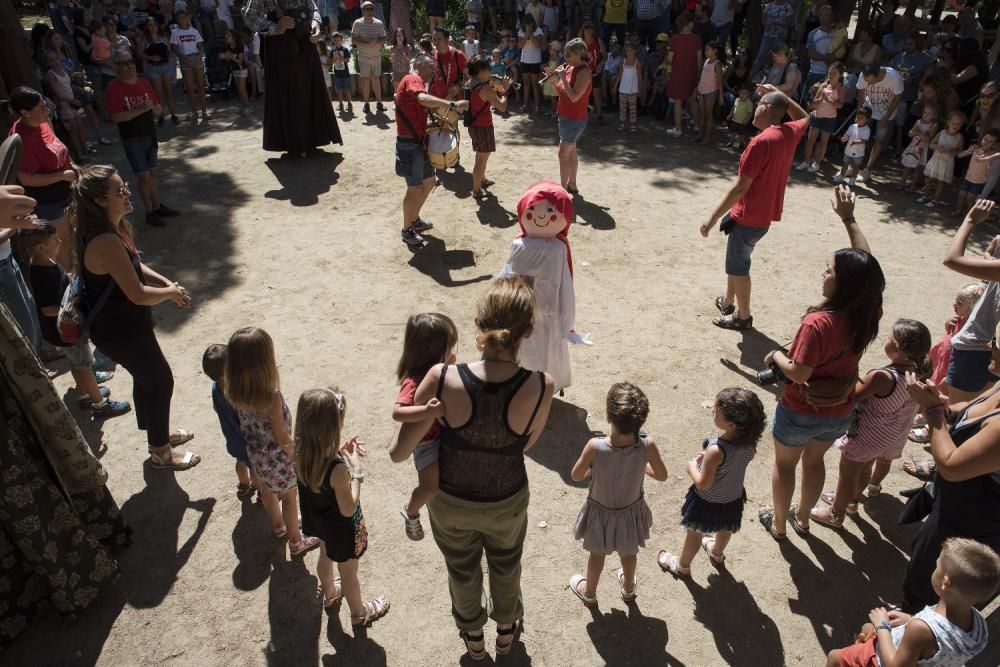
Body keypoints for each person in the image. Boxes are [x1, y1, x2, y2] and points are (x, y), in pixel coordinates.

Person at [389, 276, 555, 661]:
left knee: (462, 570)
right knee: (507, 563)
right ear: (528, 330)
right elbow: (525, 443)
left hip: (450, 499)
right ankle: (506, 629)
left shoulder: (441, 378)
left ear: (478, 322)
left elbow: (400, 452)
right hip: (507, 498)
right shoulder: (542, 385)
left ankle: (473, 638)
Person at [756, 186, 885, 541]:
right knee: (814, 463)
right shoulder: (868, 311)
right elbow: (868, 270)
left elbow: (799, 372)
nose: (823, 273)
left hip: (801, 407)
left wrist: (775, 355)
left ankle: (780, 524)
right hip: (839, 408)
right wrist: (848, 219)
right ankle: (803, 519)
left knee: (785, 465)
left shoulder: (819, 324)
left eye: (829, 270)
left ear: (842, 282)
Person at [73, 165, 200, 470]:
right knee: (160, 381)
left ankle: (157, 434)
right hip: (121, 330)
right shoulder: (104, 241)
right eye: (119, 191)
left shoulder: (111, 229)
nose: (127, 194)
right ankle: (160, 451)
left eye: (125, 187)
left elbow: (134, 265)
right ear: (100, 201)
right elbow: (138, 294)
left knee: (147, 378)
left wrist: (167, 284)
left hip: (125, 326)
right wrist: (169, 294)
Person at [700, 85, 808, 331]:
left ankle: (743, 316)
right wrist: (781, 94)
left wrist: (712, 217)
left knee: (739, 267)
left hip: (749, 217)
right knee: (735, 262)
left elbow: (740, 188)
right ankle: (728, 301)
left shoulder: (760, 143)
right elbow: (805, 117)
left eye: (760, 103)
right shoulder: (788, 132)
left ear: (766, 108)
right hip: (759, 215)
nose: (755, 107)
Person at [809, 319, 932, 529]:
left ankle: (835, 514)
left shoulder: (882, 377)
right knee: (865, 467)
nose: (886, 339)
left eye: (890, 338)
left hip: (866, 436)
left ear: (899, 350)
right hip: (888, 436)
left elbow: (852, 396)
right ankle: (852, 500)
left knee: (847, 474)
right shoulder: (920, 371)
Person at [294, 388, 391, 628]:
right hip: (341, 529)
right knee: (348, 572)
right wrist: (356, 470)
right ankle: (359, 613)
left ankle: (330, 594)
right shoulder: (338, 470)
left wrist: (337, 451)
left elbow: (319, 464)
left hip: (319, 523)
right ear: (334, 426)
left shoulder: (298, 452)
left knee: (325, 557)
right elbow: (348, 508)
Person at [224, 326, 320, 556]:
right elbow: (283, 438)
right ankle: (296, 541)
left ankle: (278, 526)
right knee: (289, 498)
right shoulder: (271, 399)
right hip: (279, 460)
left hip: (256, 455)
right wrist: (300, 455)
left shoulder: (233, 391)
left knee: (267, 491)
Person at [569, 383, 668, 606]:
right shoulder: (647, 445)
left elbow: (576, 475)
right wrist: (643, 466)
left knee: (597, 554)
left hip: (599, 512)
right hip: (630, 512)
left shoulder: (595, 446)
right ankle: (628, 589)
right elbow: (662, 475)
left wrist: (591, 469)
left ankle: (590, 592)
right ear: (641, 419)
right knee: (629, 552)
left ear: (608, 416)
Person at [826, 538, 997, 667]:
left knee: (835, 657)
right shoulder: (978, 627)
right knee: (866, 628)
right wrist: (909, 620)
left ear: (945, 583)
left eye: (937, 565)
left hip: (881, 660)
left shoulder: (920, 629)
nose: (934, 567)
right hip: (914, 653)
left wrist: (883, 627)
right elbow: (941, 636)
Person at [21, 222, 129, 418]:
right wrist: (75, 306)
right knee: (84, 365)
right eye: (55, 240)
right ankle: (99, 403)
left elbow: (61, 282)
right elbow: (47, 309)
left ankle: (84, 393)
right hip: (66, 331)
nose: (60, 241)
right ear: (40, 247)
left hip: (62, 332)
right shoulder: (42, 274)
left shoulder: (45, 262)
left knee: (77, 362)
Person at [657, 387, 766, 576]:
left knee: (695, 532)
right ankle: (716, 553)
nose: (712, 411)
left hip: (707, 501)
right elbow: (741, 460)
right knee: (725, 527)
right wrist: (710, 461)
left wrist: (692, 466)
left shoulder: (717, 449)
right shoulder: (749, 441)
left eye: (716, 411)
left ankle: (682, 566)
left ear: (731, 424)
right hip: (733, 497)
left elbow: (704, 484)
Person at [242, 0, 343, 156]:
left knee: (309, 91)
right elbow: (248, 16)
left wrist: (315, 24)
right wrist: (274, 27)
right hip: (280, 46)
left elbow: (313, 8)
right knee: (288, 93)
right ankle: (294, 144)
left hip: (305, 42)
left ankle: (313, 141)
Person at [392, 313, 458, 540]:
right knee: (430, 488)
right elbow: (398, 412)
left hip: (441, 437)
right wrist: (427, 412)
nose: (452, 353)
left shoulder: (438, 371)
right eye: (448, 349)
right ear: (433, 351)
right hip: (426, 444)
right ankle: (410, 510)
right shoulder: (414, 381)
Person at [394, 54, 469, 246]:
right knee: (414, 188)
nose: (433, 72)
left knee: (429, 182)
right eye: (430, 67)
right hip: (408, 145)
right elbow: (422, 98)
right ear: (419, 64)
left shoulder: (417, 84)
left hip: (418, 142)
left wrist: (437, 125)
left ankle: (414, 220)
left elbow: (417, 117)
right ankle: (406, 230)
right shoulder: (413, 79)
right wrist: (451, 104)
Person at [4, 87, 76, 272]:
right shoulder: (22, 138)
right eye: (42, 108)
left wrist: (72, 166)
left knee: (71, 242)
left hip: (65, 193)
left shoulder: (43, 122)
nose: (47, 110)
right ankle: (69, 289)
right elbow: (27, 179)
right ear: (25, 113)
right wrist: (62, 175)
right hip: (48, 202)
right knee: (62, 247)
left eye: (45, 105)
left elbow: (58, 148)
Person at [105, 52, 180, 228]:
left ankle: (157, 205)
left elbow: (156, 107)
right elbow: (116, 117)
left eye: (131, 61)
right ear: (116, 67)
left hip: (149, 134)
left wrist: (158, 109)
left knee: (153, 173)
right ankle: (149, 211)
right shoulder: (114, 87)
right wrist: (142, 108)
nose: (129, 66)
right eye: (124, 63)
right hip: (132, 138)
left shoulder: (143, 82)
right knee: (143, 176)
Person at [201, 343, 256, 499]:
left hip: (232, 439)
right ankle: (262, 492)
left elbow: (216, 408)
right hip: (246, 440)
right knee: (255, 469)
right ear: (226, 373)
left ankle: (244, 486)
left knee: (241, 462)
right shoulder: (235, 394)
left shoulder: (215, 388)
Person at [550, 38, 593, 195]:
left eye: (568, 55)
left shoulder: (584, 73)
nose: (565, 58)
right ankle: (572, 185)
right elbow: (563, 91)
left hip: (575, 119)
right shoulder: (569, 68)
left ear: (579, 54)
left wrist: (561, 77)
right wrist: (554, 81)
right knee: (571, 151)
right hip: (564, 116)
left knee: (563, 154)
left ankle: (561, 191)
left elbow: (574, 97)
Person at [467, 56, 511, 199]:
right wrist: (505, 91)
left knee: (481, 156)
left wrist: (491, 81)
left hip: (473, 125)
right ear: (481, 71)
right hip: (483, 126)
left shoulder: (470, 82)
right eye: (488, 69)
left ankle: (482, 179)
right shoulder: (485, 89)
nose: (490, 72)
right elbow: (502, 107)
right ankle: (476, 190)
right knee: (481, 159)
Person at [856, 63, 904, 183]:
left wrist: (886, 117)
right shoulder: (864, 74)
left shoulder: (894, 78)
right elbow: (861, 92)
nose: (868, 83)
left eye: (870, 81)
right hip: (869, 108)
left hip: (886, 111)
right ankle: (854, 166)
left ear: (878, 75)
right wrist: (860, 112)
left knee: (879, 140)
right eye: (866, 80)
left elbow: (898, 97)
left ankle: (867, 169)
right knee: (859, 134)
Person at [796, 61, 844, 173]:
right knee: (810, 141)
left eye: (834, 73)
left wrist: (827, 100)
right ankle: (806, 162)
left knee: (823, 143)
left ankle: (816, 163)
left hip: (829, 119)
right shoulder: (823, 85)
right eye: (830, 73)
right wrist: (815, 102)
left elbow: (840, 105)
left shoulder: (841, 88)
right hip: (818, 116)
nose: (831, 76)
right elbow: (815, 103)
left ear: (840, 75)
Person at [44, 50, 87, 160]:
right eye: (51, 60)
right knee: (72, 131)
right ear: (48, 62)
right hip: (64, 106)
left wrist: (80, 90)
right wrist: (71, 101)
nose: (55, 62)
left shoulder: (63, 70)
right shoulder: (50, 74)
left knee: (80, 126)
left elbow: (69, 86)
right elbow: (57, 93)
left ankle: (84, 150)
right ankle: (78, 155)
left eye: (56, 59)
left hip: (72, 104)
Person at [918, 111, 966, 210]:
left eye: (958, 124)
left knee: (941, 182)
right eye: (953, 123)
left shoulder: (960, 137)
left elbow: (959, 151)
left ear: (961, 125)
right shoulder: (942, 133)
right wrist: (938, 147)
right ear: (948, 122)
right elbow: (931, 144)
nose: (955, 126)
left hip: (947, 163)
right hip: (936, 159)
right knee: (930, 179)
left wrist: (953, 151)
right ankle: (925, 195)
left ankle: (935, 199)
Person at [665, 12, 702, 138]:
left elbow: (670, 60)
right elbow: (699, 60)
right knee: (693, 100)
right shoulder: (696, 39)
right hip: (692, 74)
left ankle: (678, 128)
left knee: (678, 101)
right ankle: (697, 126)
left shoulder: (674, 39)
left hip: (677, 74)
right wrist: (698, 74)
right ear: (689, 23)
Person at [169, 9, 209, 122]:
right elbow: (174, 48)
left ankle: (204, 111)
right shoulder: (175, 32)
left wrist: (199, 56)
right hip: (185, 59)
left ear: (188, 17)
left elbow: (201, 45)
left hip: (196, 58)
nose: (182, 20)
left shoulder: (194, 31)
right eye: (179, 18)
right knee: (190, 87)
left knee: (201, 85)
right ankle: (194, 112)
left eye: (184, 17)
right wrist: (183, 57)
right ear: (177, 20)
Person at [141, 19, 180, 126]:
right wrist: (151, 57)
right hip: (154, 68)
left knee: (170, 93)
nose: (153, 27)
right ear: (147, 27)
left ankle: (173, 115)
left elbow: (170, 52)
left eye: (154, 25)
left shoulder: (164, 37)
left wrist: (167, 56)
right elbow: (140, 54)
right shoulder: (145, 40)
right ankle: (161, 116)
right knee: (159, 94)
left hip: (166, 67)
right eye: (150, 25)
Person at [352, 1, 387, 114]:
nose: (369, 11)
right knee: (366, 81)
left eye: (371, 9)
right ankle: (366, 104)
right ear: (362, 10)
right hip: (363, 57)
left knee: (376, 80)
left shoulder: (379, 23)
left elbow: (384, 39)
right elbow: (353, 39)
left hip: (376, 57)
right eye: (366, 9)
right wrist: (365, 43)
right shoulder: (357, 23)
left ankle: (379, 103)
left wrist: (377, 41)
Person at [955, 130, 1000, 216]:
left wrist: (986, 159)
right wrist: (967, 152)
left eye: (991, 141)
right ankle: (958, 211)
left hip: (979, 182)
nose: (987, 142)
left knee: (970, 199)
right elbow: (959, 155)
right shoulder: (975, 149)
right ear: (982, 138)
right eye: (986, 139)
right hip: (968, 178)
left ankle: (969, 216)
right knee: (961, 196)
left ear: (994, 144)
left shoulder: (992, 154)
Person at [900, 105, 938, 190]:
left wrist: (918, 132)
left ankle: (913, 185)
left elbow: (928, 138)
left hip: (923, 149)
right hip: (913, 147)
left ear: (934, 115)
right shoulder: (918, 122)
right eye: (925, 112)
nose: (926, 115)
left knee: (919, 168)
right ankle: (902, 183)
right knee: (908, 165)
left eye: (929, 114)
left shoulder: (934, 125)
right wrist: (914, 132)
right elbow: (910, 133)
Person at [695, 40, 724, 143]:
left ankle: (707, 137)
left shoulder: (717, 64)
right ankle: (699, 135)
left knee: (708, 115)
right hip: (702, 91)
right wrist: (698, 88)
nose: (705, 51)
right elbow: (702, 76)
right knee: (701, 113)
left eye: (707, 49)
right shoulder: (706, 61)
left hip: (711, 92)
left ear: (715, 50)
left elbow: (720, 81)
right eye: (705, 49)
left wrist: (720, 96)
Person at [580, 22, 605, 125]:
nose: (588, 30)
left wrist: (601, 64)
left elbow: (604, 54)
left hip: (595, 71)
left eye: (590, 28)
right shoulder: (580, 42)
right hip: (583, 72)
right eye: (586, 28)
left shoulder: (597, 41)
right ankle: (582, 115)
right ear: (583, 30)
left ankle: (599, 115)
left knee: (597, 94)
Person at [612, 41, 641, 132]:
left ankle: (633, 125)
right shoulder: (623, 61)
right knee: (622, 108)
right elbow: (620, 74)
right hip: (623, 89)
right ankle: (622, 124)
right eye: (627, 51)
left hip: (633, 90)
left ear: (635, 51)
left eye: (631, 50)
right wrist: (615, 86)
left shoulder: (637, 63)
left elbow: (640, 76)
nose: (629, 52)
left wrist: (640, 88)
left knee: (633, 109)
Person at [755, 0, 794, 66]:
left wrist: (779, 24)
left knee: (777, 57)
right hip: (767, 35)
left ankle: (775, 74)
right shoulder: (769, 5)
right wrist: (767, 25)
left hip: (780, 36)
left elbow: (789, 22)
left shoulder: (788, 6)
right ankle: (754, 73)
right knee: (761, 55)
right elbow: (763, 20)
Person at [517, 16, 544, 113]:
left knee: (535, 84)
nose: (528, 26)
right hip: (524, 60)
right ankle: (525, 104)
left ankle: (536, 106)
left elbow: (537, 45)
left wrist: (530, 34)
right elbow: (520, 45)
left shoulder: (538, 31)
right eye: (526, 24)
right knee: (526, 83)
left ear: (533, 23)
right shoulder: (521, 31)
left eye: (530, 24)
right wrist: (526, 34)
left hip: (535, 61)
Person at [726, 84, 754, 150]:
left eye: (745, 93)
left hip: (742, 122)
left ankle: (741, 144)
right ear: (739, 93)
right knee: (733, 132)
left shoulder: (749, 103)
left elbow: (750, 113)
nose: (743, 95)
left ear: (749, 94)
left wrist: (747, 120)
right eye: (741, 93)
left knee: (742, 134)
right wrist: (730, 115)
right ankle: (731, 142)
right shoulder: (737, 100)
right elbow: (733, 108)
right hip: (735, 120)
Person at [331, 32, 353, 112]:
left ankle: (350, 103)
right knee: (339, 90)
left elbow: (347, 60)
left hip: (345, 74)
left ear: (341, 40)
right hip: (337, 74)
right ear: (333, 41)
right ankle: (340, 104)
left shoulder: (345, 49)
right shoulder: (332, 50)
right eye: (335, 40)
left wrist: (341, 57)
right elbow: (331, 62)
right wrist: (334, 58)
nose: (337, 42)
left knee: (347, 89)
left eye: (338, 40)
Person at [542, 41, 563, 116]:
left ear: (555, 50)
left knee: (554, 96)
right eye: (549, 49)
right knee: (551, 97)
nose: (549, 50)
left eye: (551, 49)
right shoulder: (550, 58)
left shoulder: (557, 59)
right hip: (550, 78)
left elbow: (557, 70)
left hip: (555, 79)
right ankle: (553, 110)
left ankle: (556, 111)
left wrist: (550, 73)